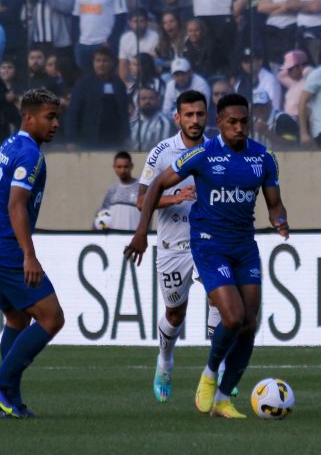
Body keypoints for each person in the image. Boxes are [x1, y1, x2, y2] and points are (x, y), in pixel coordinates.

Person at [125, 92, 290, 419]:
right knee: (217, 316)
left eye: (244, 122)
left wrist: (280, 220)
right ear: (220, 124)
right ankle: (205, 372)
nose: (239, 128)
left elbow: (274, 204)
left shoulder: (264, 158)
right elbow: (156, 184)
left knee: (248, 323)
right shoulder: (201, 154)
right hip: (206, 244)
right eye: (232, 122)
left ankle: (223, 399)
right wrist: (142, 232)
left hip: (244, 246)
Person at [0, 88, 64, 419]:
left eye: (57, 117)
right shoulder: (30, 155)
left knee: (17, 318)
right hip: (5, 249)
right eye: (49, 117)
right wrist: (29, 254)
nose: (55, 123)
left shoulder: (10, 144)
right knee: (52, 318)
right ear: (29, 117)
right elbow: (16, 203)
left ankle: (9, 400)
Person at [137, 90, 210, 402]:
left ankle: (217, 372)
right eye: (188, 115)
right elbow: (142, 199)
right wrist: (176, 197)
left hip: (209, 242)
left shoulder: (217, 148)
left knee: (222, 303)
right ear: (177, 118)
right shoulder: (162, 152)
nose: (195, 120)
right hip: (172, 245)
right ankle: (165, 361)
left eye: (200, 114)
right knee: (175, 313)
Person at [72, 0, 127, 73]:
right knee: (86, 78)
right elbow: (76, 16)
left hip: (103, 43)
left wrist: (110, 41)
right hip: (83, 44)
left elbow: (121, 17)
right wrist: (76, 41)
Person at [66, 46, 129, 149]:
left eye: (105, 61)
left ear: (112, 63)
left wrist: (127, 136)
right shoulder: (83, 84)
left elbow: (124, 113)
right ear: (93, 62)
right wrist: (71, 139)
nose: (101, 64)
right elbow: (73, 112)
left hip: (114, 140)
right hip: (89, 139)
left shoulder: (118, 84)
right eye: (98, 60)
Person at [94, 151, 140, 231]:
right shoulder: (112, 191)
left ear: (131, 166)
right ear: (114, 167)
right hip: (115, 241)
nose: (122, 170)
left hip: (135, 240)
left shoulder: (142, 188)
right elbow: (101, 215)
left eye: (126, 167)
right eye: (119, 167)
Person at [119, 8, 159, 83]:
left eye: (141, 21)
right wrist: (127, 85)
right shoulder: (125, 38)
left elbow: (154, 65)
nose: (138, 24)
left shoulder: (155, 37)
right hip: (132, 78)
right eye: (135, 21)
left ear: (147, 22)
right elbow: (123, 64)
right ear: (129, 23)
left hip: (151, 76)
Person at [130, 86, 173, 151]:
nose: (147, 101)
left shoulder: (164, 123)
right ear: (138, 102)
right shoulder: (132, 123)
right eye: (143, 99)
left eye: (151, 98)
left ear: (157, 101)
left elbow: (163, 150)